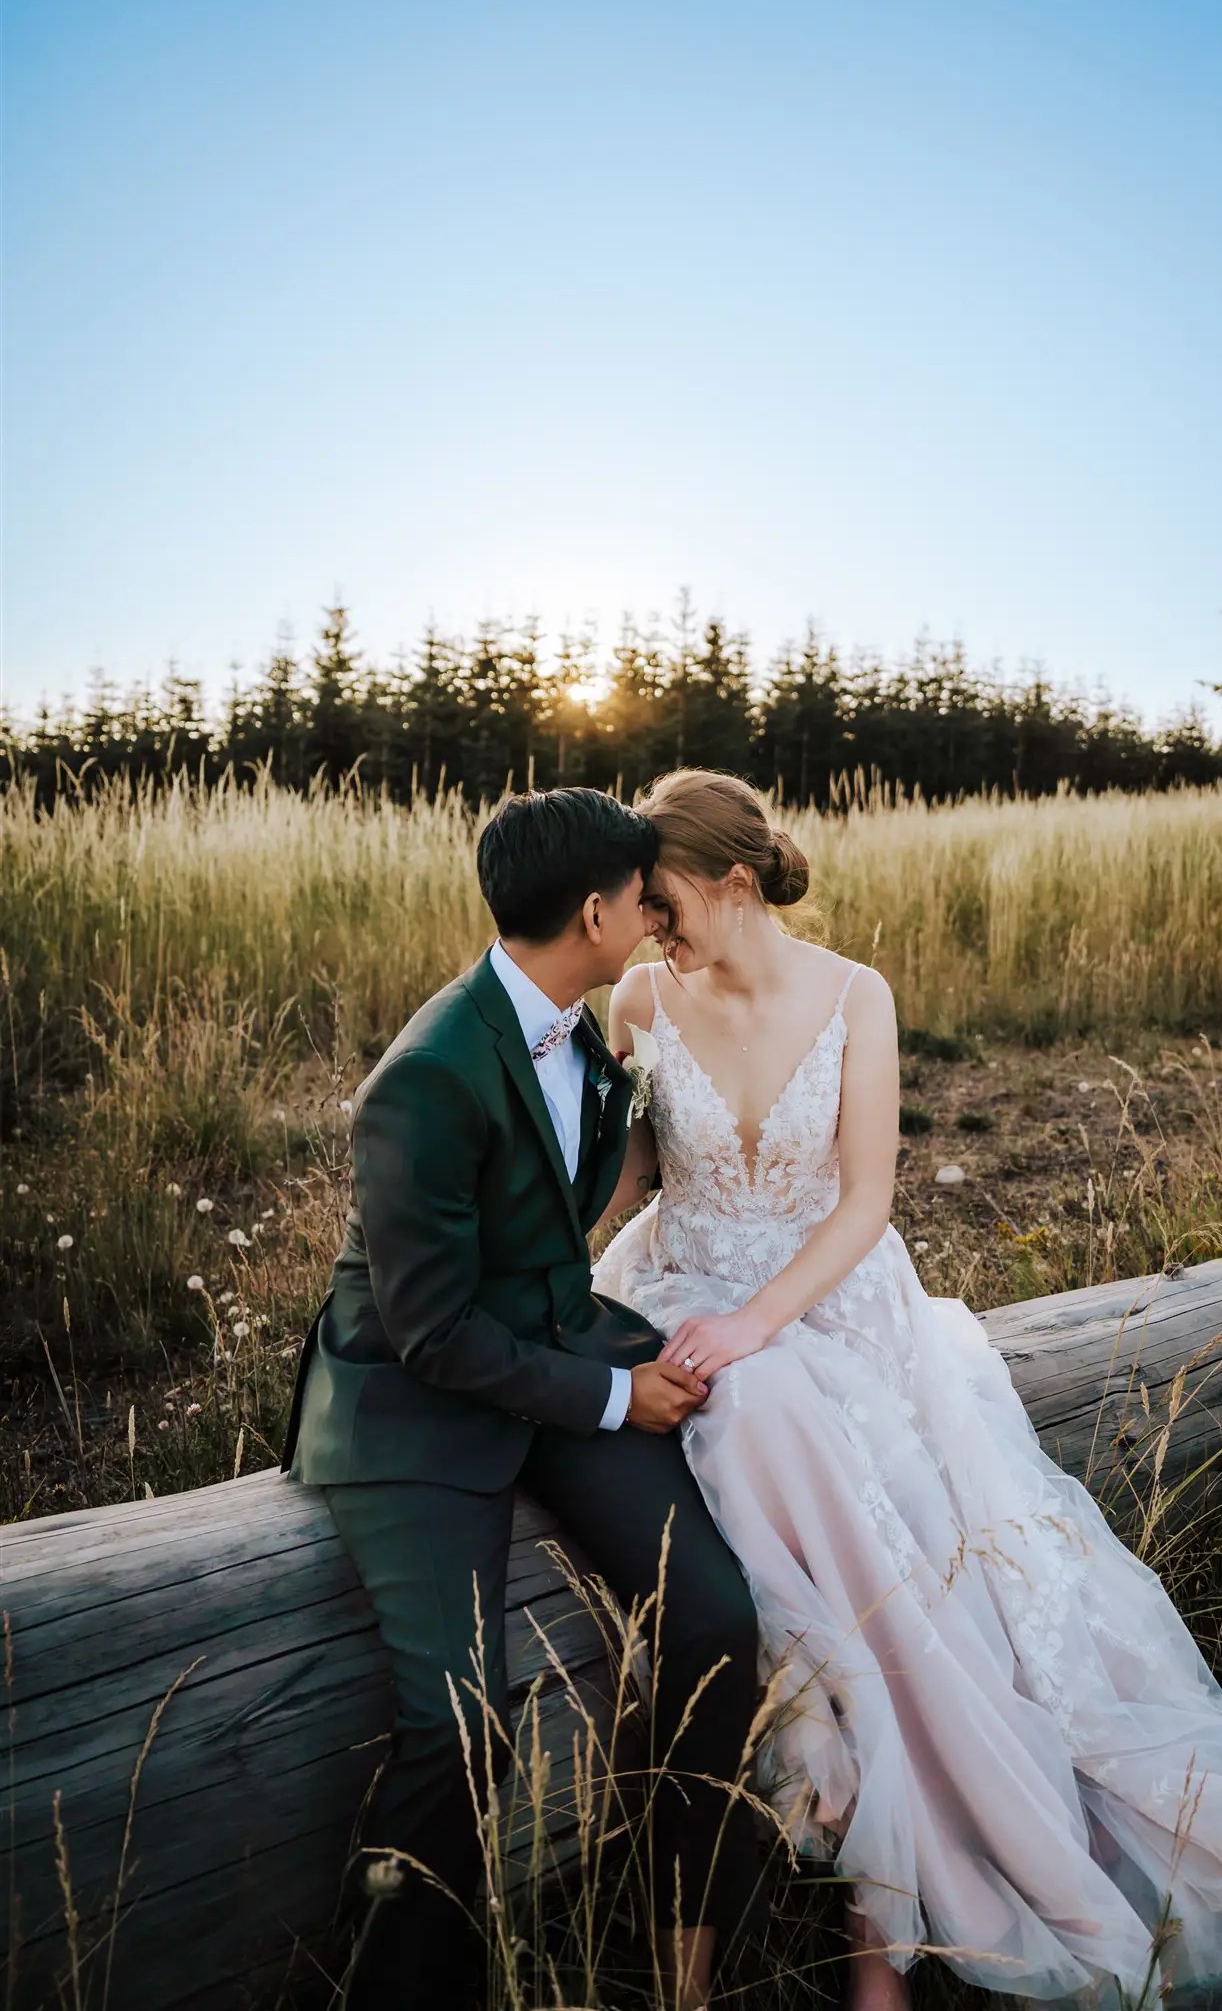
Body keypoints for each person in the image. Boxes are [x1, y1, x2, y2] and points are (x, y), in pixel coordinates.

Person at [591, 766, 1222, 2011]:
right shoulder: (638, 994)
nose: (651, 927)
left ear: (733, 881)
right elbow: (626, 1185)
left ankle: (883, 1924)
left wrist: (763, 1320)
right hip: (683, 1278)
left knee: (866, 1489)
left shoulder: (857, 994)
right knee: (767, 1426)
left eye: (665, 902)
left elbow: (868, 1198)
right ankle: (870, 1900)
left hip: (827, 1293)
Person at [280, 786, 766, 2011]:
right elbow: (431, 1330)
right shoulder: (425, 1077)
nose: (658, 912)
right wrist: (614, 1397)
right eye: (644, 897)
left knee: (716, 1617)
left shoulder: (579, 1025)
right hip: (419, 1405)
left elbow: (582, 1194)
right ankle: (405, 1987)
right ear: (596, 910)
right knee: (457, 1724)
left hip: (552, 1356)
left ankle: (677, 1948)